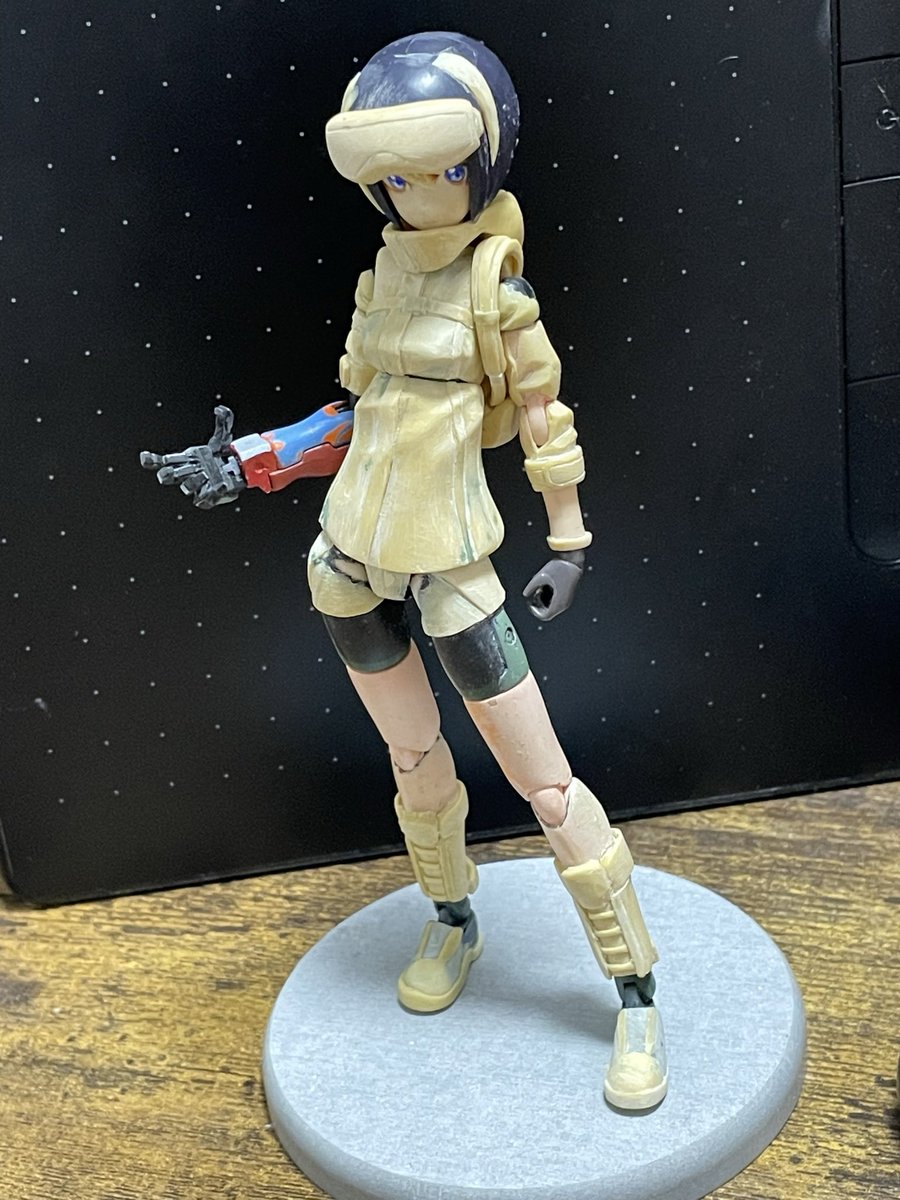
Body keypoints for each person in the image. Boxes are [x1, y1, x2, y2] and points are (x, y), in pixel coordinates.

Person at [142, 31, 667, 1111]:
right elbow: (357, 413)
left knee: (547, 786)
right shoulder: (382, 276)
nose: (414, 193)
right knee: (414, 757)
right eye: (394, 177)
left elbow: (544, 420)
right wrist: (257, 460)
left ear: (481, 161)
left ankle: (636, 991)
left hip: (452, 561)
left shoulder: (496, 288)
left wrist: (569, 543)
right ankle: (453, 918)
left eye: (435, 170)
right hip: (349, 555)